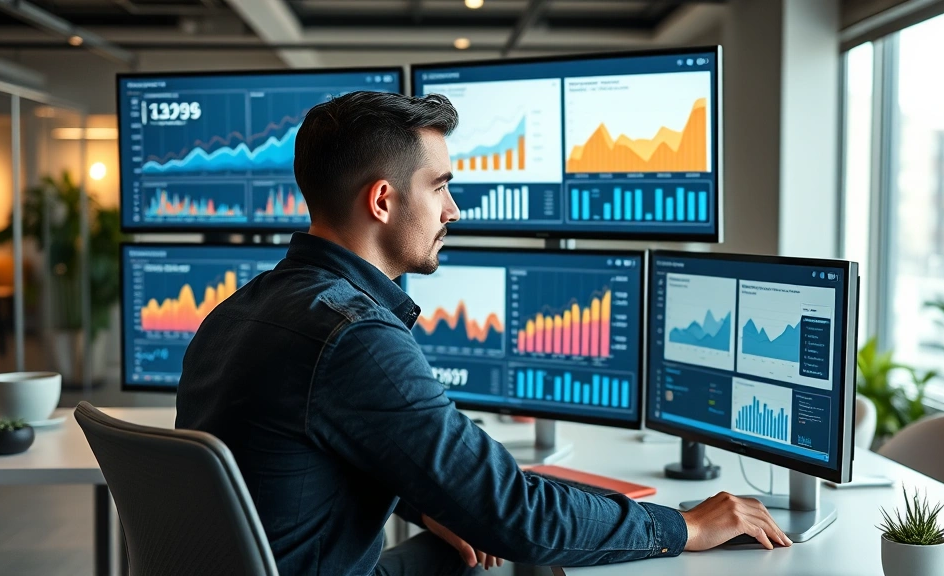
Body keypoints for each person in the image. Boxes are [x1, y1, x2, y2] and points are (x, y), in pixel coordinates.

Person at [175, 91, 791, 576]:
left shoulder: (236, 311)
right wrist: (682, 527)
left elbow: (295, 467)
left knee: (473, 554)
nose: (454, 209)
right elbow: (514, 514)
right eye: (440, 185)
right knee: (513, 550)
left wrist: (425, 501)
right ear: (383, 201)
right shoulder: (354, 336)